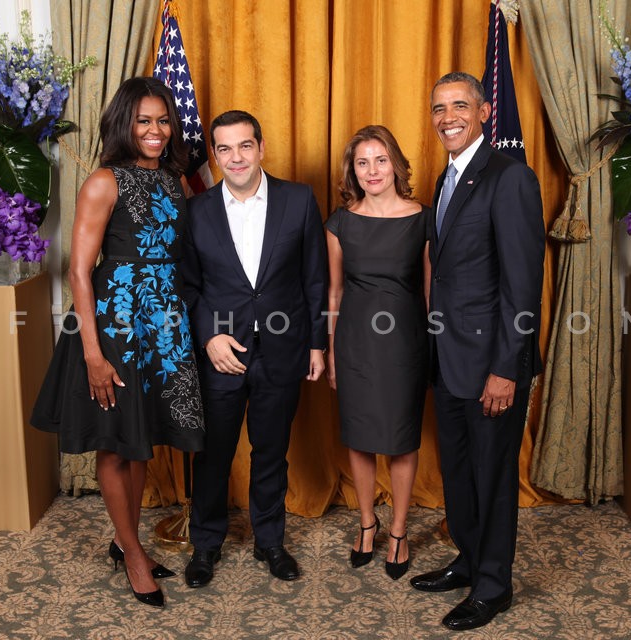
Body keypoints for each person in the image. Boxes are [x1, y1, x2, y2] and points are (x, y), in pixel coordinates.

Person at [31, 77, 206, 608]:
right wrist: (93, 353)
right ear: (123, 124)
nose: (155, 130)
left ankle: (124, 539)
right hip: (116, 326)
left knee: (139, 437)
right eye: (143, 120)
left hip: (164, 323)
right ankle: (132, 553)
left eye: (162, 120)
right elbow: (79, 271)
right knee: (114, 442)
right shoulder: (104, 181)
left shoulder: (176, 180)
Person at [409, 72, 544, 631]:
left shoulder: (510, 177)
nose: (448, 118)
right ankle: (468, 560)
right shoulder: (448, 177)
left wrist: (506, 369)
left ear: (485, 112)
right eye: (439, 108)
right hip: (449, 359)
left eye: (459, 106)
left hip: (492, 364)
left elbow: (522, 285)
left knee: (492, 477)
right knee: (460, 473)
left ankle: (493, 585)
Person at [180, 110, 328, 587]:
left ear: (261, 148)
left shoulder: (298, 199)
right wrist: (209, 336)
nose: (236, 157)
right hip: (222, 353)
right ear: (214, 155)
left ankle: (270, 541)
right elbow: (188, 286)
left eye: (245, 145)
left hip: (282, 350)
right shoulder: (196, 210)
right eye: (224, 148)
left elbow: (315, 278)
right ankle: (206, 544)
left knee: (271, 451)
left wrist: (317, 344)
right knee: (213, 454)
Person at [325, 125, 430, 580]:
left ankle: (399, 531)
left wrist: (435, 348)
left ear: (396, 165)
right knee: (360, 437)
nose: (372, 170)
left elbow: (431, 292)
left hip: (406, 343)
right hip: (354, 344)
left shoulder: (423, 219)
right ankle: (367, 524)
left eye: (380, 160)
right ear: (353, 170)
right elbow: (334, 292)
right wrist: (332, 353)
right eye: (362, 162)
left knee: (402, 439)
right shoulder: (340, 222)